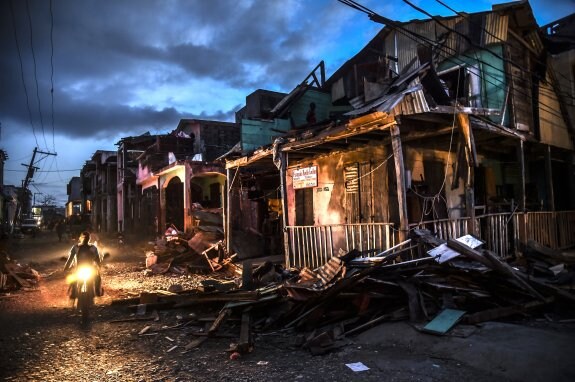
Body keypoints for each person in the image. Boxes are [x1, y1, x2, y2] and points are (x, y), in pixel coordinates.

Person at [63, 231, 103, 298]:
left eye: (85, 238)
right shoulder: (93, 248)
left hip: (80, 269)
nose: (85, 239)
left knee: (73, 279)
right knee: (97, 278)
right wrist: (99, 266)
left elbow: (70, 259)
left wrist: (66, 268)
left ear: (80, 238)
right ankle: (97, 292)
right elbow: (97, 259)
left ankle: (74, 293)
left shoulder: (76, 247)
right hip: (88, 269)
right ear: (89, 239)